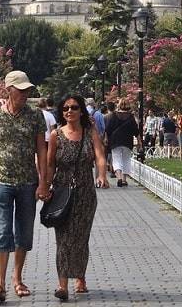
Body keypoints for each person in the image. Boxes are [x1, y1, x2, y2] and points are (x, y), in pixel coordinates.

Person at [0, 70, 49, 303]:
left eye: (27, 90)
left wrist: (43, 181)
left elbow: (41, 150)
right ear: (8, 90)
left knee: (24, 232)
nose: (25, 94)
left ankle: (17, 279)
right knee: (2, 230)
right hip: (2, 182)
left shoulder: (35, 115)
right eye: (20, 90)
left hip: (28, 182)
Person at [48, 94, 109, 300]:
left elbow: (100, 156)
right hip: (62, 191)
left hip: (85, 191)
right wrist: (44, 186)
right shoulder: (56, 134)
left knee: (80, 237)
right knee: (63, 239)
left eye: (74, 107)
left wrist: (101, 175)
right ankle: (62, 284)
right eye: (66, 108)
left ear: (81, 111)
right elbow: (50, 164)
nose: (69, 111)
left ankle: (80, 276)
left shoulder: (90, 132)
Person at [104, 99, 138, 187]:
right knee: (126, 159)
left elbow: (108, 129)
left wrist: (106, 138)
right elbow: (135, 130)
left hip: (115, 141)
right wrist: (139, 142)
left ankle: (118, 177)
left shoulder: (113, 115)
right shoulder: (130, 116)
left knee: (116, 159)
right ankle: (124, 180)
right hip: (127, 140)